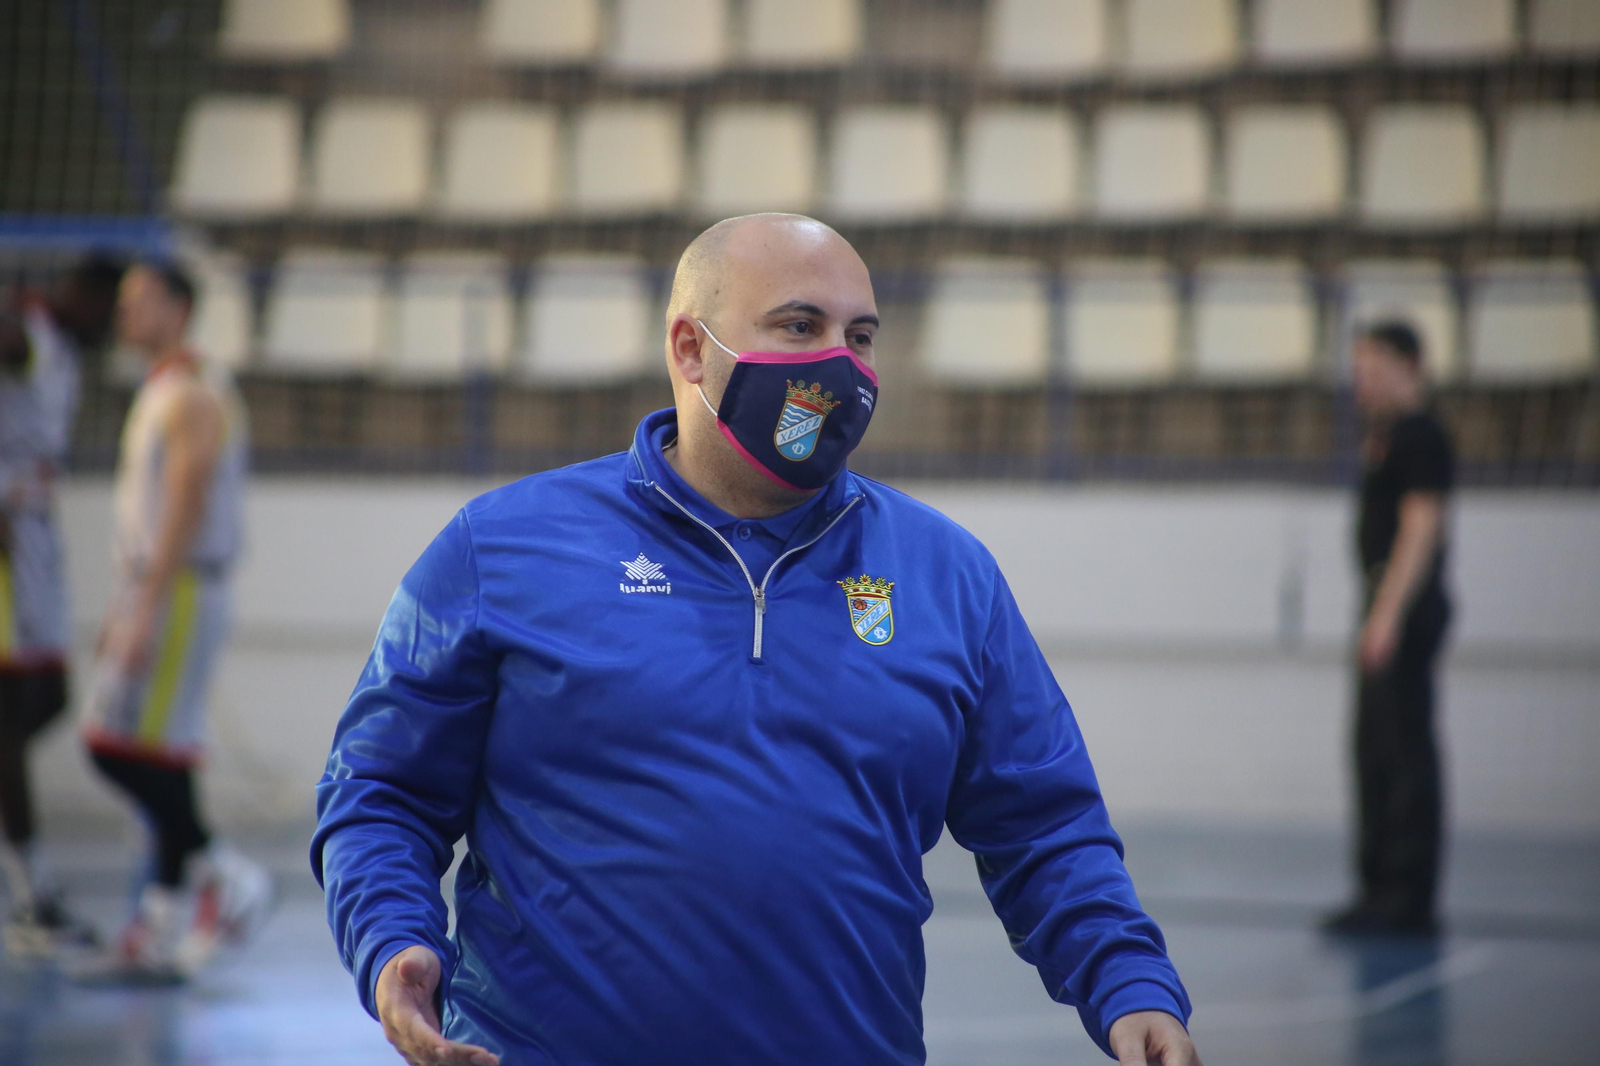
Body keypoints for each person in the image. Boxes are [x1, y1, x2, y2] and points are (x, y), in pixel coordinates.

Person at [313, 214, 1201, 1066]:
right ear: (690, 348)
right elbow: (381, 789)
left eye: (860, 337)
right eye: (800, 326)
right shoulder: (504, 547)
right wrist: (392, 939)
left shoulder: (946, 575)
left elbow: (1046, 823)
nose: (839, 365)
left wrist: (1129, 984)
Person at [76, 261, 270, 980]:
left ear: (179, 308)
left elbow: (186, 499)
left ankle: (228, 874)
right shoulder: (163, 387)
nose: (125, 312)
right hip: (162, 584)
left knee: (112, 743)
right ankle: (158, 924)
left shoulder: (191, 391)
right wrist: (126, 599)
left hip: (182, 588)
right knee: (165, 754)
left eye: (141, 300)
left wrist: (147, 605)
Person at [0, 253, 125, 953]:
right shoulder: (25, 328)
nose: (114, 323)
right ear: (82, 293)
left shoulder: (65, 348)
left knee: (47, 697)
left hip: (37, 538)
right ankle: (32, 892)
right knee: (10, 713)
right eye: (110, 307)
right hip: (9, 541)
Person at [1323, 320, 1454, 937]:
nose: (1364, 385)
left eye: (1375, 371)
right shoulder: (1386, 435)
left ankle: (1408, 895)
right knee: (1372, 751)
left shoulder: (1423, 437)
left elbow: (1420, 530)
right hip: (1381, 604)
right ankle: (1377, 888)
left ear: (1410, 368)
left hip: (1401, 610)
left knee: (1403, 754)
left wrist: (1387, 615)